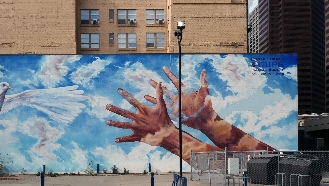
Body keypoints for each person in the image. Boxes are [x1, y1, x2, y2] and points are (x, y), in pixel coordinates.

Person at [106, 66, 275, 164]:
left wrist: (170, 138)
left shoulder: (289, 169)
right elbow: (252, 165)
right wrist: (207, 121)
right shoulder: (284, 166)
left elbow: (245, 167)